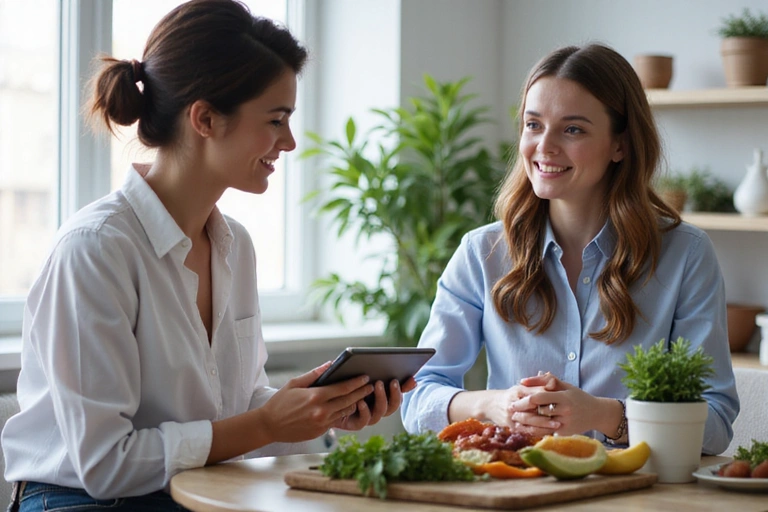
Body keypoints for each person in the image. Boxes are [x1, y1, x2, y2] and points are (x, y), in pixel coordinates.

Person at [1, 1, 413, 510]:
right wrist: (264, 423)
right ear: (205, 118)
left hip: (195, 490)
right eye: (276, 119)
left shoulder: (234, 246)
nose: (288, 141)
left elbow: (236, 411)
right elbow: (106, 463)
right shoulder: (95, 250)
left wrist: (317, 411)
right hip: (78, 499)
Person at [400, 43, 738, 455]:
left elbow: (716, 420)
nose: (545, 146)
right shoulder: (482, 252)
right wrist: (494, 404)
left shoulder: (685, 255)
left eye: (572, 129)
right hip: (515, 491)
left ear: (621, 145)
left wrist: (604, 415)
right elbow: (417, 394)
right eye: (533, 124)